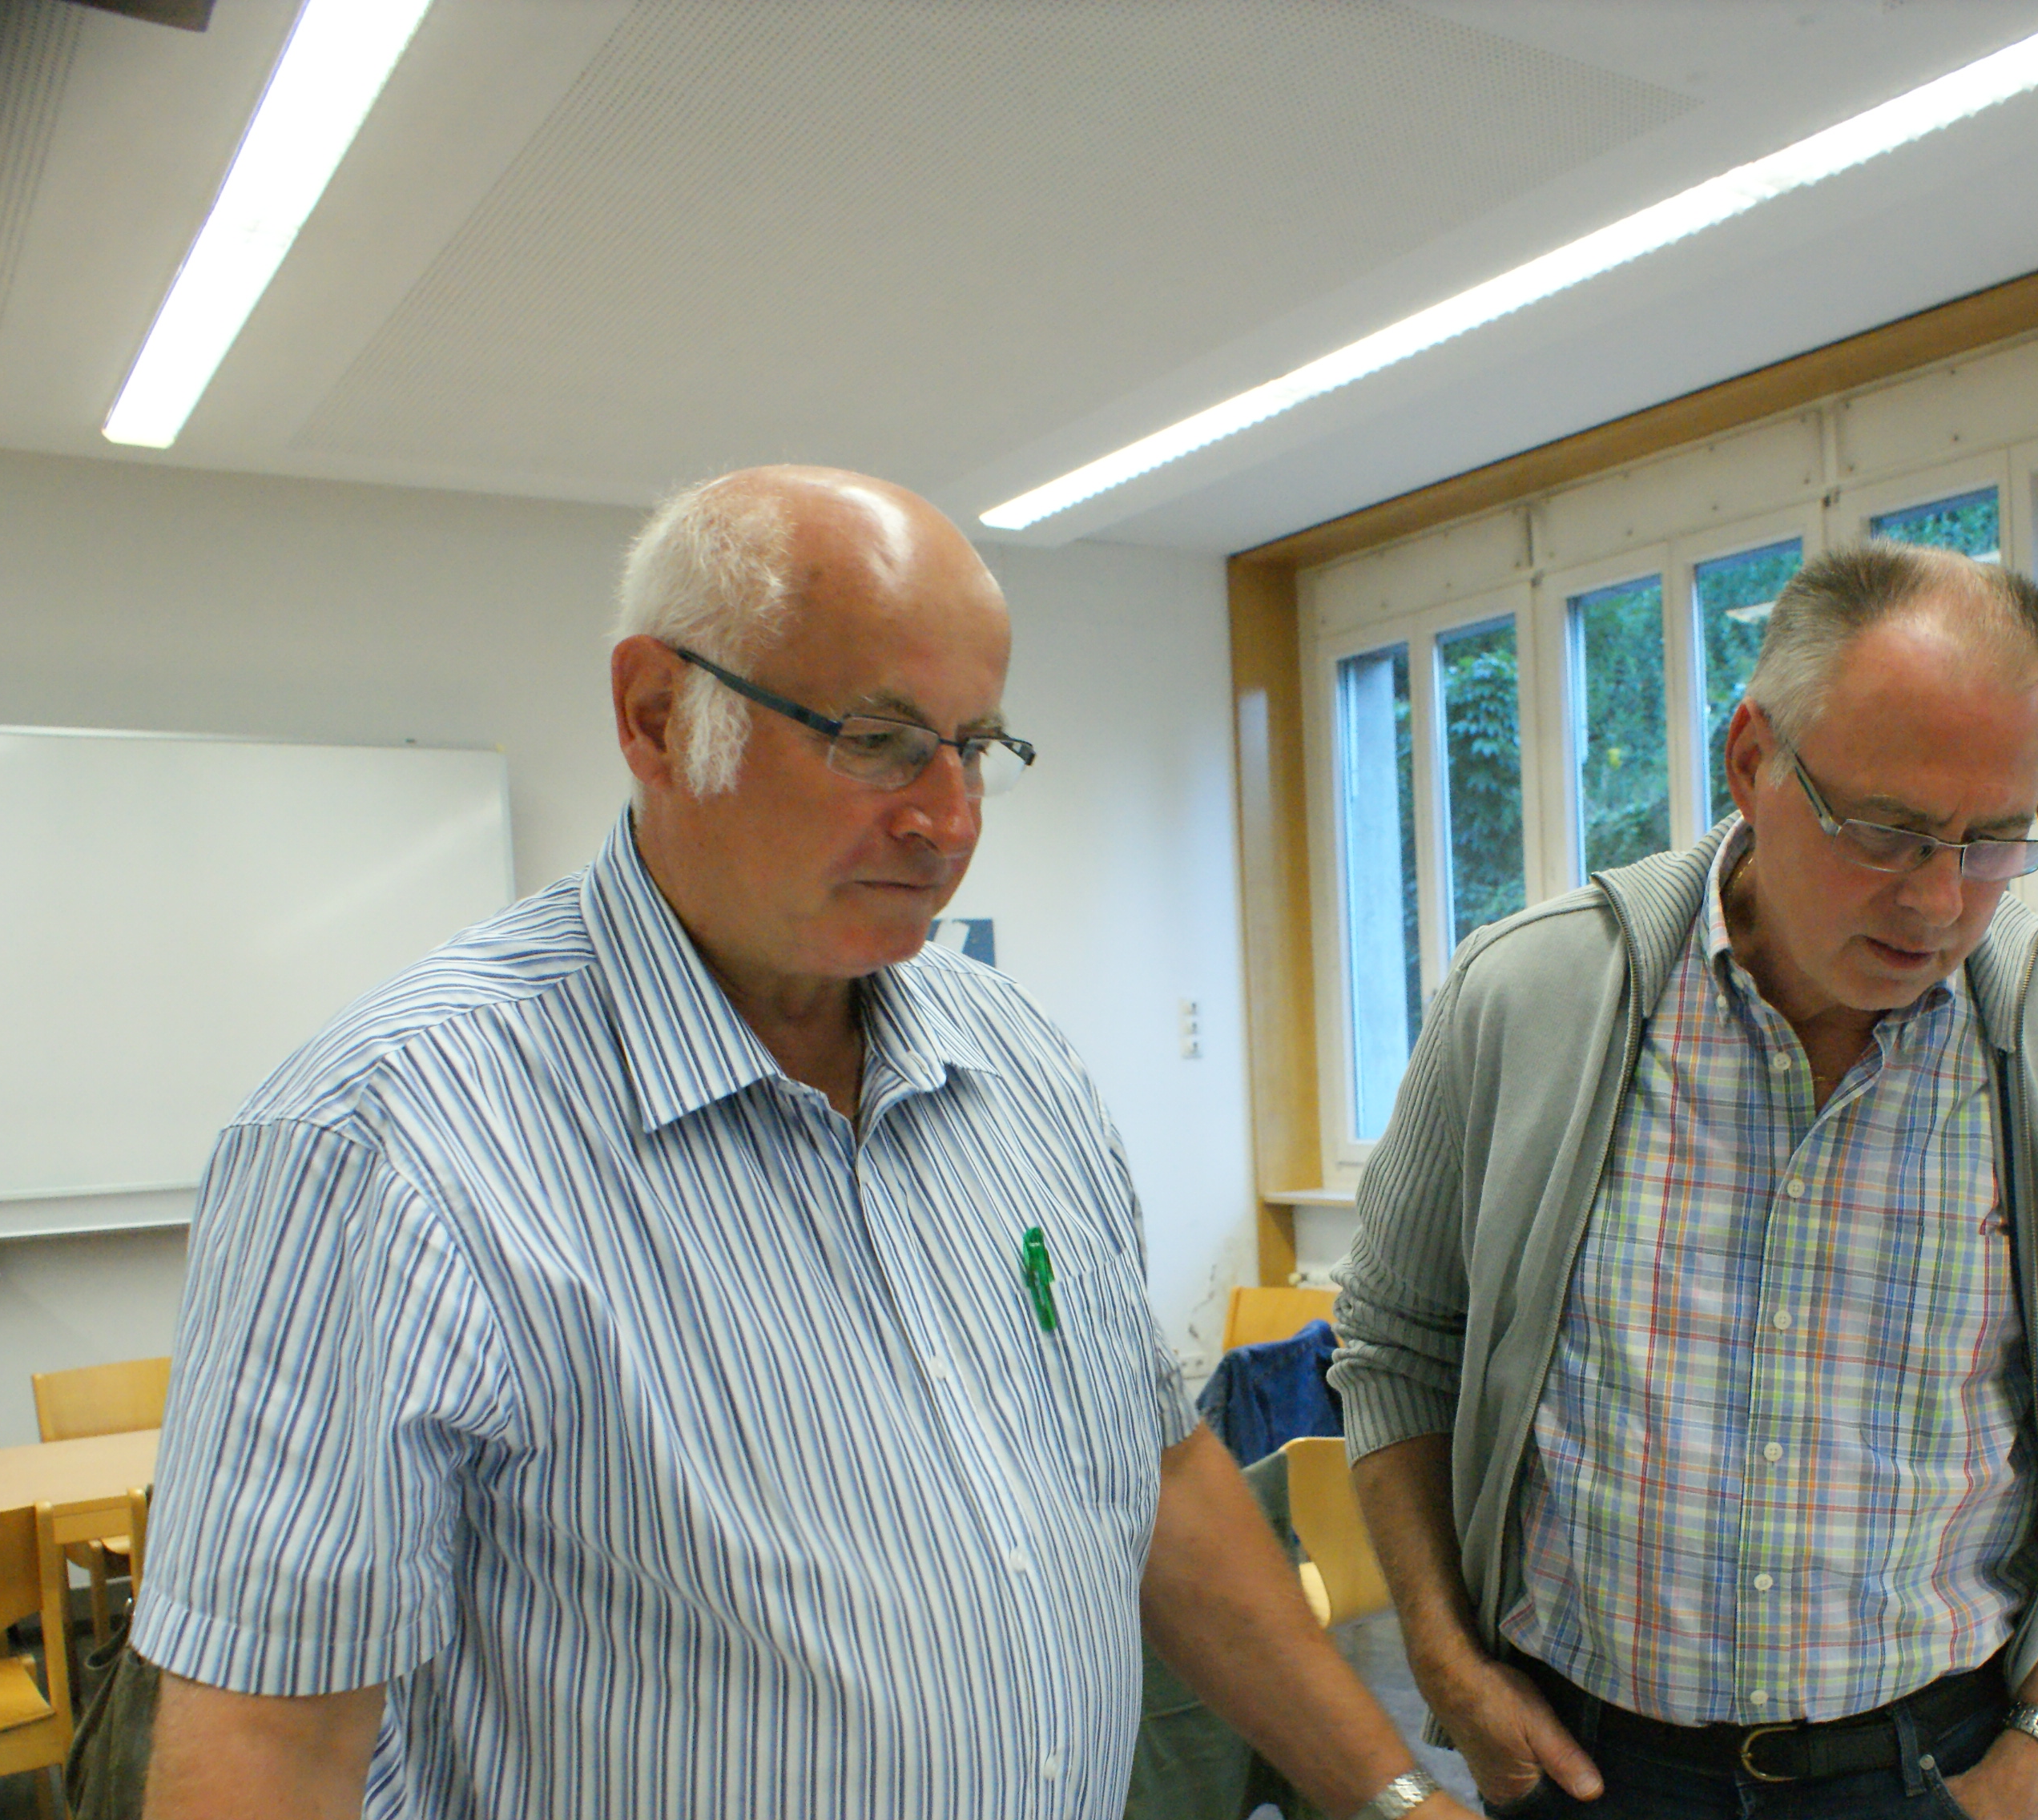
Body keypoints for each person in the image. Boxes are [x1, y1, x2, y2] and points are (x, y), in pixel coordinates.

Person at [135, 467, 1471, 1820]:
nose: (948, 820)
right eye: (877, 740)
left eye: (976, 747)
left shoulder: (1015, 1059)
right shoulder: (384, 1145)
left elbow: (1156, 1474)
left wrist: (1394, 1800)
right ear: (658, 717)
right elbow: (267, 1748)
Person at [1331, 544, 2038, 1820]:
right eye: (1889, 831)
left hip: (1926, 1773)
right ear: (1753, 759)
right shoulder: (1530, 1000)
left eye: (1992, 842)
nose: (1938, 901)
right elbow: (1397, 1342)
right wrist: (1444, 1659)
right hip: (1586, 1766)